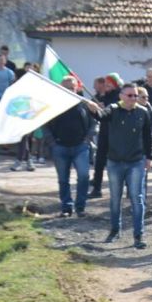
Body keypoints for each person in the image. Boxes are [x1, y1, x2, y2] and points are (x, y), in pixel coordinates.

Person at [88, 83, 152, 249]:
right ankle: (115, 229)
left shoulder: (143, 112)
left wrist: (149, 157)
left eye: (135, 95)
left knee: (137, 198)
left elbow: (147, 136)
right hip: (115, 161)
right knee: (115, 198)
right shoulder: (114, 109)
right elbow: (101, 116)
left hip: (136, 161)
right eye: (130, 95)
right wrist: (94, 109)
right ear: (121, 96)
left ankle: (139, 235)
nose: (133, 98)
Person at [46, 76, 95, 217]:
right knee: (63, 179)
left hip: (81, 146)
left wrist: (88, 139)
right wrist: (51, 142)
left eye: (71, 87)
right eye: (66, 87)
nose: (69, 90)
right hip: (60, 147)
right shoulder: (54, 105)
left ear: (77, 88)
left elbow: (95, 122)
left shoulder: (85, 104)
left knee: (84, 176)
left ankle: (80, 207)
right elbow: (45, 125)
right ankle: (66, 207)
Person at [89, 72, 123, 198]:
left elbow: (116, 109)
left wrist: (106, 108)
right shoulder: (103, 95)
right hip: (104, 133)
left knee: (117, 163)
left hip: (117, 134)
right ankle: (96, 188)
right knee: (99, 162)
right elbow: (99, 114)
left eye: (109, 84)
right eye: (106, 84)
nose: (106, 86)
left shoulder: (120, 96)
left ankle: (120, 190)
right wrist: (95, 108)